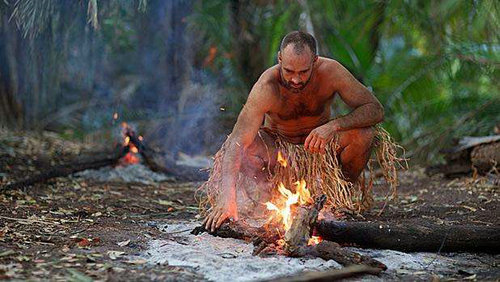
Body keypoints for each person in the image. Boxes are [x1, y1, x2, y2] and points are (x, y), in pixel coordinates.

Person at [203, 31, 384, 232]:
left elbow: (375, 109)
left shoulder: (332, 72)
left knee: (364, 135)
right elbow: (237, 140)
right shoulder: (266, 86)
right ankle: (266, 200)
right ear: (279, 58)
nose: (295, 79)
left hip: (320, 151)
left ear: (315, 61)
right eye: (288, 71)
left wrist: (333, 126)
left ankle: (339, 199)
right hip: (279, 155)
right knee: (246, 146)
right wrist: (226, 200)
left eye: (303, 72)